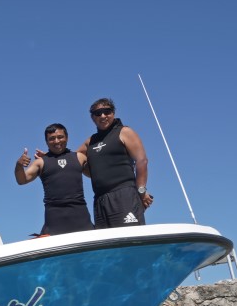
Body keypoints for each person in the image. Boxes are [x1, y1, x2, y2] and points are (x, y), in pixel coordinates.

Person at [76, 98, 153, 228]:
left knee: (130, 240)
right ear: (92, 117)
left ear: (113, 113)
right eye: (98, 113)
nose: (103, 116)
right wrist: (50, 157)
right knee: (108, 245)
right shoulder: (90, 141)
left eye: (107, 111)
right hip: (100, 200)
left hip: (124, 195)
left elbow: (142, 161)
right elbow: (73, 159)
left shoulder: (124, 132)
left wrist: (141, 190)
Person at [15, 123, 93, 235]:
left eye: (60, 137)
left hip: (81, 218)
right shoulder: (40, 162)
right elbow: (22, 180)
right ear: (46, 142)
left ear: (67, 138)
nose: (56, 141)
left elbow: (95, 174)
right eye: (52, 139)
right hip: (54, 222)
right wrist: (18, 165)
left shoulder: (79, 158)